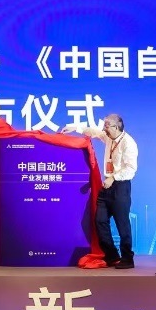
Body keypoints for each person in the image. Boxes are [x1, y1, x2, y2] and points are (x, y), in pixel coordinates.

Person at [62, 114, 138, 269]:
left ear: (116, 127)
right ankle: (112, 256)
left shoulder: (128, 143)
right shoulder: (108, 137)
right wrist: (75, 128)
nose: (104, 128)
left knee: (122, 224)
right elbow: (94, 132)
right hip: (107, 188)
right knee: (100, 221)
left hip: (120, 187)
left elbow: (131, 169)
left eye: (107, 125)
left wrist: (113, 177)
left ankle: (127, 258)